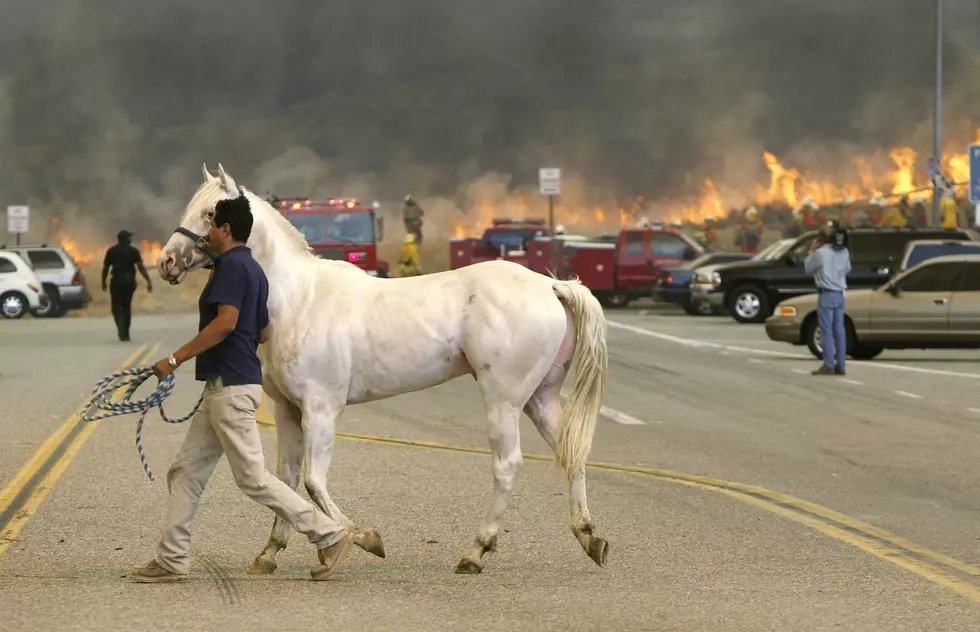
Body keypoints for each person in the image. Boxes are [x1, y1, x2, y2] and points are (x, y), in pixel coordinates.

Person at [130, 193, 352, 583]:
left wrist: (175, 359)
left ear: (225, 230)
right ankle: (171, 559)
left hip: (230, 389)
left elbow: (226, 323)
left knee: (252, 478)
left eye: (211, 225)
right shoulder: (252, 269)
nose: (206, 234)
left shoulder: (232, 267)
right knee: (185, 471)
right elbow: (263, 330)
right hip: (224, 386)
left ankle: (329, 532)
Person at [805, 224, 851, 376]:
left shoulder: (820, 253)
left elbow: (808, 269)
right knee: (839, 330)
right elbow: (847, 269)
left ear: (820, 239)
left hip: (826, 294)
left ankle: (828, 364)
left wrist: (811, 250)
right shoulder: (844, 251)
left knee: (826, 330)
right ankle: (841, 365)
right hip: (840, 293)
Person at [101, 229, 152, 341]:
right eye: (129, 237)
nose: (131, 239)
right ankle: (126, 333)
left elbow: (106, 268)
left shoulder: (111, 251)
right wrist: (148, 281)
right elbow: (141, 267)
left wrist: (103, 282)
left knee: (116, 306)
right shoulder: (133, 251)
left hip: (116, 281)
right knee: (126, 307)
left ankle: (120, 325)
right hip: (129, 282)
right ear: (126, 239)